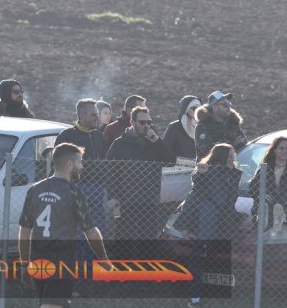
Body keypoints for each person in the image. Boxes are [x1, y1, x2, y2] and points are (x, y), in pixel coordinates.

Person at [18, 143, 110, 308]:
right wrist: (104, 258)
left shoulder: (35, 190)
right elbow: (91, 231)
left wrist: (24, 263)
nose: (82, 166)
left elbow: (24, 231)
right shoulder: (74, 192)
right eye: (80, 161)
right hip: (61, 261)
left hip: (37, 260)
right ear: (69, 164)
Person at [174, 143, 242, 308]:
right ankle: (195, 298)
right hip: (205, 222)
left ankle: (212, 295)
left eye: (233, 155)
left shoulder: (233, 174)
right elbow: (196, 188)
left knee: (216, 260)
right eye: (230, 155)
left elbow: (230, 200)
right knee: (200, 258)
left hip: (222, 224)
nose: (233, 158)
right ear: (221, 156)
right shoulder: (208, 171)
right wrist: (185, 226)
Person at [105, 105, 176, 255]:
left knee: (147, 242)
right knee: (124, 241)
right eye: (142, 122)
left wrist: (157, 141)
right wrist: (112, 196)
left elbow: (171, 160)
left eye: (149, 122)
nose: (146, 126)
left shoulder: (154, 143)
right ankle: (122, 274)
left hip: (148, 201)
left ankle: (145, 274)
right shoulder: (120, 144)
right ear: (132, 122)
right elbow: (110, 171)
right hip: (125, 201)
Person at [55, 99, 109, 258]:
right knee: (77, 232)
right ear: (82, 114)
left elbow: (104, 160)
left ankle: (93, 267)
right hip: (76, 190)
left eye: (97, 114)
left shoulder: (98, 135)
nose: (97, 117)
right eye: (93, 114)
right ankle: (77, 268)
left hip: (97, 190)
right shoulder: (67, 135)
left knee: (98, 230)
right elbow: (57, 165)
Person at [248, 136, 287, 231]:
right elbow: (253, 186)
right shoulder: (265, 168)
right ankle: (262, 218)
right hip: (268, 202)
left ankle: (280, 218)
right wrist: (261, 194)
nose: (284, 151)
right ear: (274, 150)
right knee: (264, 202)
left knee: (283, 201)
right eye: (281, 148)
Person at [194, 91, 247, 159]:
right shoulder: (203, 126)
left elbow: (243, 144)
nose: (228, 107)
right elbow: (207, 150)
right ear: (215, 108)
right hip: (210, 168)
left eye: (229, 104)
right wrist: (232, 146)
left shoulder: (232, 123)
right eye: (225, 105)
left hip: (232, 166)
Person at [162, 95, 201, 160]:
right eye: (194, 108)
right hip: (177, 167)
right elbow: (165, 148)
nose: (197, 111)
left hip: (197, 167)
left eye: (199, 109)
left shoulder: (202, 127)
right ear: (186, 108)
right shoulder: (174, 127)